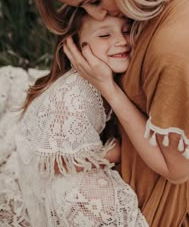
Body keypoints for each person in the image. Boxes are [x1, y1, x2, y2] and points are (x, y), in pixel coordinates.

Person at [28, 0, 189, 226]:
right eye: (84, 7)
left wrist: (109, 89)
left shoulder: (178, 52)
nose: (96, 14)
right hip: (129, 149)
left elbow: (176, 170)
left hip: (167, 200)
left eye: (96, 0)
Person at [16, 12, 148, 227]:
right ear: (77, 47)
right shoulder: (77, 93)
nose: (121, 41)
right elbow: (54, 162)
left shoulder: (107, 77)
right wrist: (113, 153)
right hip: (56, 174)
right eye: (104, 35)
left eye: (126, 30)